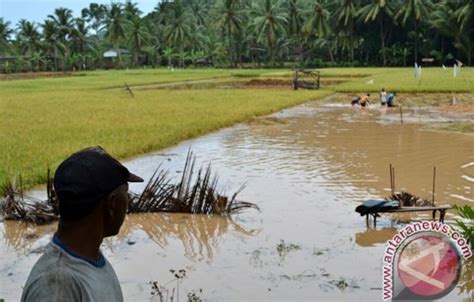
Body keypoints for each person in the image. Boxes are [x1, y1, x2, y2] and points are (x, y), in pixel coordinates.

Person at [21, 146, 144, 302]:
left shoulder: (91, 260)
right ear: (112, 205)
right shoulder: (57, 287)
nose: (127, 202)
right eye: (126, 193)